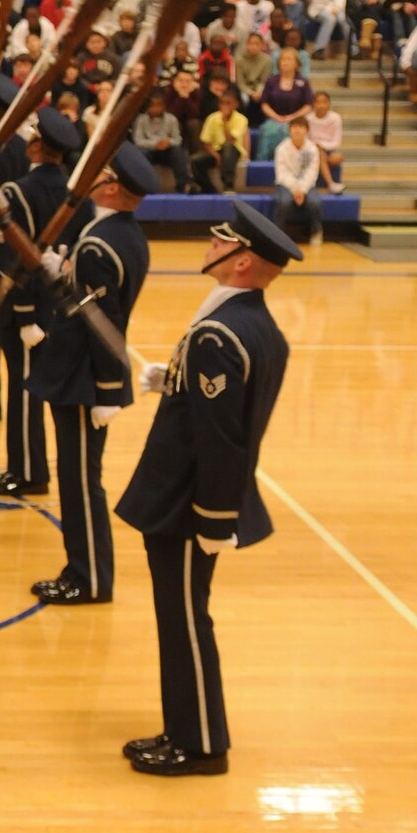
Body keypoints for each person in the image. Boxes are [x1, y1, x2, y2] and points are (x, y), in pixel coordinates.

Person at [116, 204, 296, 776]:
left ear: (241, 260)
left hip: (189, 505)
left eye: (220, 240)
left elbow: (224, 438)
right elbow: (225, 407)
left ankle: (196, 745)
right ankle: (188, 730)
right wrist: (171, 382)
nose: (208, 244)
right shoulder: (256, 325)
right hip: (195, 499)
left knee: (185, 621)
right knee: (184, 617)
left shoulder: (220, 333)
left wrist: (217, 517)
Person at [28, 144, 157, 605]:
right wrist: (60, 273)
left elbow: (105, 322)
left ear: (113, 187)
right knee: (78, 477)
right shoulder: (117, 233)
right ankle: (81, 570)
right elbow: (90, 299)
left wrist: (106, 391)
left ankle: (89, 578)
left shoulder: (102, 244)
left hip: (84, 381)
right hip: (80, 374)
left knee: (82, 482)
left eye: (102, 174)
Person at [0, 107, 86, 500]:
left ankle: (27, 471)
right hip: (61, 307)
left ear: (38, 145)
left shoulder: (18, 191)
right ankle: (28, 465)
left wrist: (25, 313)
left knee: (24, 390)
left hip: (30, 309)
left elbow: (17, 258)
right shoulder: (77, 194)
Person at [273, 115, 323, 245]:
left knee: (314, 202)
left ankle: (315, 231)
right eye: (294, 127)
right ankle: (277, 234)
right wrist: (295, 189)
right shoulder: (281, 149)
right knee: (284, 202)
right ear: (289, 130)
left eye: (301, 127)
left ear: (307, 130)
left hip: (307, 185)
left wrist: (303, 189)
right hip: (286, 184)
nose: (297, 130)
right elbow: (282, 173)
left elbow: (312, 173)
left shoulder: (312, 149)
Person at [192, 84, 249, 194]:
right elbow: (206, 141)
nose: (225, 106)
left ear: (236, 104)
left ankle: (228, 186)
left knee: (228, 148)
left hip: (234, 150)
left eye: (228, 103)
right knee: (195, 160)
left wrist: (224, 122)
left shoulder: (241, 119)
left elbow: (230, 139)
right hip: (216, 150)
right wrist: (216, 156)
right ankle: (208, 189)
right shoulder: (212, 118)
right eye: (222, 103)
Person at [132, 88, 191, 192]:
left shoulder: (171, 119)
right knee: (141, 153)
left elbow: (177, 139)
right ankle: (143, 187)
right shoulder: (141, 120)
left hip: (167, 151)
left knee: (178, 151)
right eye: (153, 106)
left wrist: (168, 142)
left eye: (158, 106)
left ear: (163, 107)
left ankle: (182, 186)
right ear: (148, 107)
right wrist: (155, 144)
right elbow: (138, 140)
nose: (155, 109)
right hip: (150, 150)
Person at [307, 88, 344, 192]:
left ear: (329, 104)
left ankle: (323, 165)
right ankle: (331, 184)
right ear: (313, 104)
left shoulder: (336, 118)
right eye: (318, 102)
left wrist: (322, 146)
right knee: (320, 153)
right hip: (312, 150)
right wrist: (316, 146)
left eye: (324, 102)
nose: (321, 105)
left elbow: (336, 142)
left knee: (338, 157)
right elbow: (306, 139)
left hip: (328, 150)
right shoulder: (308, 119)